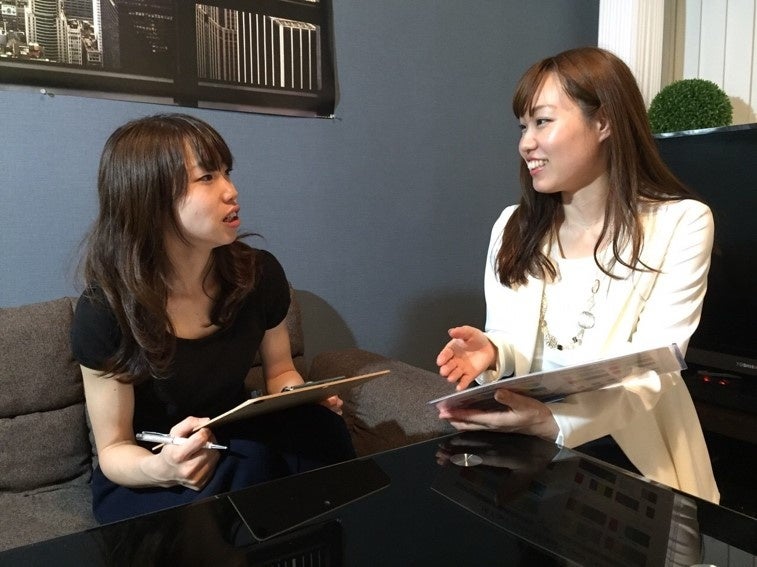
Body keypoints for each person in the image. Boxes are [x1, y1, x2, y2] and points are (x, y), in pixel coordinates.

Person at [435, 47, 719, 503]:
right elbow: (515, 338)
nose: (526, 143)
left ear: (603, 122)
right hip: (528, 451)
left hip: (633, 456)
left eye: (542, 121)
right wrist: (493, 352)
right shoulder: (514, 226)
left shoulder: (681, 223)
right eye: (523, 127)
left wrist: (556, 422)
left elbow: (653, 368)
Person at [71, 113, 355, 523]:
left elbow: (280, 373)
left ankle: (341, 533)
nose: (231, 191)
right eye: (207, 178)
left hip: (234, 439)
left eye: (226, 173)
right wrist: (162, 468)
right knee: (248, 468)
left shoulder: (257, 274)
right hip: (153, 466)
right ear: (150, 199)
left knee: (316, 426)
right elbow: (114, 449)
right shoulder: (105, 310)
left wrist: (301, 394)